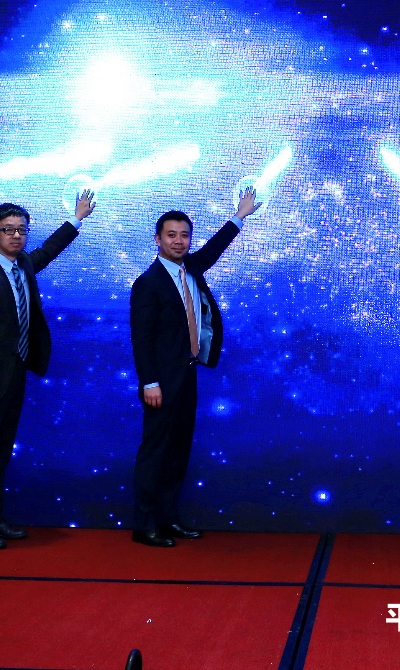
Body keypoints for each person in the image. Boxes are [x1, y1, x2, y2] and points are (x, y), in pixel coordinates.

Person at [0, 191, 96, 550]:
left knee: (1, 452)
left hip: (15, 371)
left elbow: (49, 250)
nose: (16, 235)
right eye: (8, 229)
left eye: (21, 230)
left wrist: (77, 219)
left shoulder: (25, 266)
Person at [129, 188, 260, 547]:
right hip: (161, 382)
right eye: (171, 235)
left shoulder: (192, 269)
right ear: (157, 240)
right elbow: (141, 339)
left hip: (187, 374)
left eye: (184, 235)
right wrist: (149, 382)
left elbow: (214, 249)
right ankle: (145, 524)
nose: (178, 241)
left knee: (178, 451)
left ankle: (169, 518)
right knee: (155, 452)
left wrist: (240, 216)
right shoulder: (148, 283)